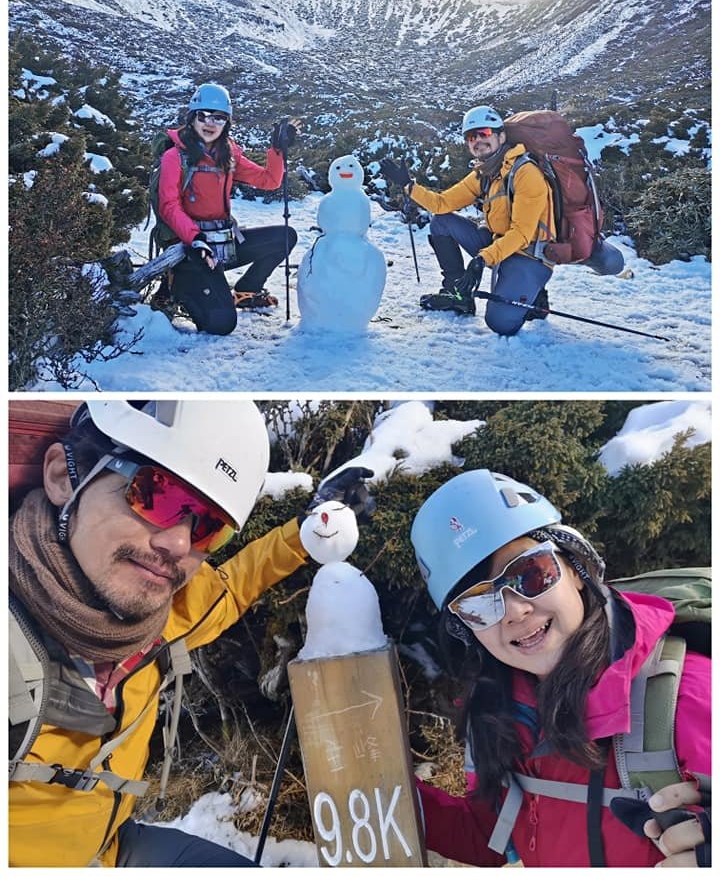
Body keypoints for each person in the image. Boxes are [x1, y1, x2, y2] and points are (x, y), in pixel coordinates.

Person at [8, 400, 374, 867]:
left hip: (111, 848)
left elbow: (230, 588)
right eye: (153, 494)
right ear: (63, 477)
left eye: (206, 526)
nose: (179, 545)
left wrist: (305, 531)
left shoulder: (156, 619)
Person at [410, 469, 710, 867]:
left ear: (576, 570)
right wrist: (381, 795)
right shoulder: (502, 714)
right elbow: (490, 834)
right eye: (479, 604)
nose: (515, 611)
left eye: (531, 574)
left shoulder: (685, 696)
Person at [380, 105, 624, 335]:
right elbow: (442, 204)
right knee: (441, 221)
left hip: (530, 254)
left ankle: (536, 296)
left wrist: (482, 259)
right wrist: (407, 185)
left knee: (501, 323)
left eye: (483, 133)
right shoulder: (484, 173)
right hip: (499, 243)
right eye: (470, 137)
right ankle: (458, 294)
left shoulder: (526, 173)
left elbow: (522, 234)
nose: (477, 141)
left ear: (501, 136)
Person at [155, 82, 302, 335]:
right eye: (203, 115)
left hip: (224, 242)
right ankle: (175, 287)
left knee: (285, 237)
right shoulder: (174, 157)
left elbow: (270, 181)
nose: (210, 123)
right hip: (192, 248)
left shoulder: (228, 154)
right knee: (221, 324)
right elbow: (168, 206)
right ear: (192, 118)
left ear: (227, 123)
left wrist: (277, 149)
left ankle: (247, 290)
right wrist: (196, 239)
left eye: (219, 117)